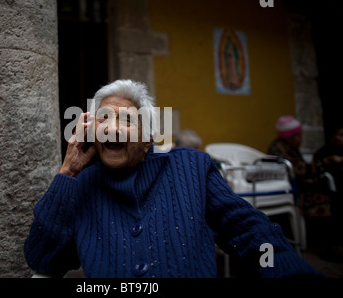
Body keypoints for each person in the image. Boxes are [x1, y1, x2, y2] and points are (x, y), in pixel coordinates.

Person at [24, 80, 322, 278]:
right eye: (103, 119)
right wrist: (68, 172)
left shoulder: (191, 166)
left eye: (127, 120)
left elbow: (246, 228)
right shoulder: (82, 183)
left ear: (148, 138)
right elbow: (43, 260)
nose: (111, 129)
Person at [267, 116, 331, 219]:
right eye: (297, 136)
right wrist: (325, 162)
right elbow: (299, 170)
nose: (300, 140)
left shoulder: (290, 147)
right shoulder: (281, 148)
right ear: (290, 137)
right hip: (290, 184)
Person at [312, 124, 343, 260]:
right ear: (332, 136)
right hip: (330, 190)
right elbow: (315, 170)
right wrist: (329, 161)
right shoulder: (324, 152)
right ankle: (334, 247)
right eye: (340, 135)